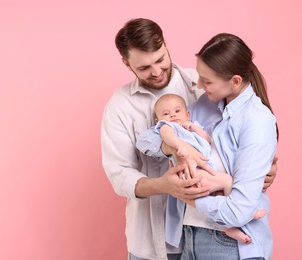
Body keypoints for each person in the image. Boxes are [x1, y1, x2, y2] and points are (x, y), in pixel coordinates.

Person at [101, 18, 278, 260]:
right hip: (153, 240)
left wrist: (260, 170)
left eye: (160, 59)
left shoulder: (202, 84)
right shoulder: (120, 106)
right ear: (127, 63)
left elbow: (238, 142)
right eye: (144, 68)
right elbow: (120, 173)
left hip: (204, 231)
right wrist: (168, 166)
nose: (156, 72)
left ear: (166, 44)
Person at [176, 33, 278, 259]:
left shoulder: (258, 121)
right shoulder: (207, 103)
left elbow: (239, 210)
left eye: (207, 80)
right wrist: (168, 140)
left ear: (235, 81)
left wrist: (186, 197)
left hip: (231, 245)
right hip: (191, 235)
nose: (199, 85)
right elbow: (164, 130)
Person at [136, 93, 267, 245]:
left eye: (177, 111)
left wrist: (195, 128)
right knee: (226, 181)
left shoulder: (192, 128)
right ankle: (243, 216)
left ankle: (230, 225)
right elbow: (167, 137)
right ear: (157, 120)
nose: (172, 115)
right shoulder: (167, 127)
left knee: (221, 197)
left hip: (205, 170)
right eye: (166, 113)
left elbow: (209, 140)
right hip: (192, 173)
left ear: (187, 114)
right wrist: (178, 145)